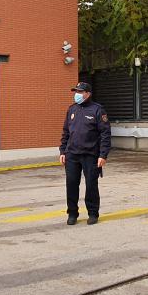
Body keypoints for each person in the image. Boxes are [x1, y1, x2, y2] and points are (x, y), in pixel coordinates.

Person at [60, 81, 111, 225]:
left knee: (91, 185)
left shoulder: (97, 110)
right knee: (71, 184)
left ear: (88, 94)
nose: (77, 94)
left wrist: (103, 155)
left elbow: (105, 134)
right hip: (72, 155)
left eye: (80, 92)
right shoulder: (72, 109)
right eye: (76, 92)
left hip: (91, 155)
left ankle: (93, 213)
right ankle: (72, 213)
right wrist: (62, 150)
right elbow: (65, 132)